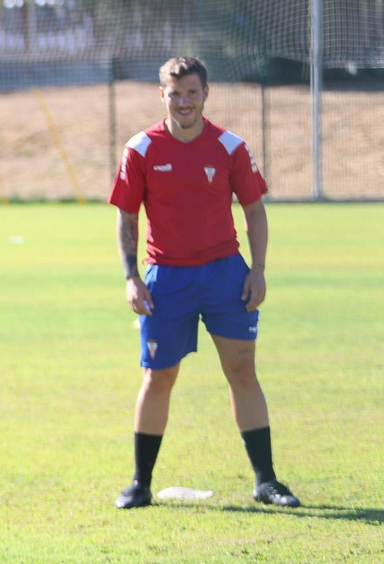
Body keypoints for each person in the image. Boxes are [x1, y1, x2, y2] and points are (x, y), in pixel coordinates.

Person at [109, 55, 301, 510]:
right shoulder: (140, 149)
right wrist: (131, 276)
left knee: (242, 372)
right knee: (158, 378)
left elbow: (254, 210)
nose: (184, 101)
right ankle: (139, 483)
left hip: (224, 276)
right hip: (165, 279)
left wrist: (258, 269)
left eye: (192, 92)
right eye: (175, 94)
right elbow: (126, 216)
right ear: (162, 96)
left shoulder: (231, 147)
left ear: (206, 94)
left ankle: (266, 481)